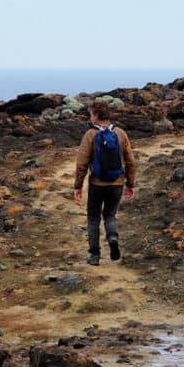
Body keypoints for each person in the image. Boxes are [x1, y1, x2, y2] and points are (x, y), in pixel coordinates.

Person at [72, 103, 136, 265]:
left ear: (95, 116)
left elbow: (82, 163)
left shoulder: (90, 134)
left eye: (91, 114)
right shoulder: (120, 133)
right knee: (110, 214)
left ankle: (94, 256)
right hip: (117, 184)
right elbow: (130, 161)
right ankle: (113, 238)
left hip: (97, 184)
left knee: (93, 218)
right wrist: (130, 183)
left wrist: (78, 186)